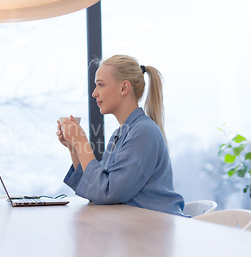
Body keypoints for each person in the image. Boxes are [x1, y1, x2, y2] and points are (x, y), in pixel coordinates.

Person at [56, 55, 186, 216]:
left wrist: (82, 142)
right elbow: (97, 188)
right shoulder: (120, 134)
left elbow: (108, 192)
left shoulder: (143, 132)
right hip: (136, 227)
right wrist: (75, 147)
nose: (94, 93)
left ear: (124, 88)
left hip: (155, 229)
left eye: (100, 85)